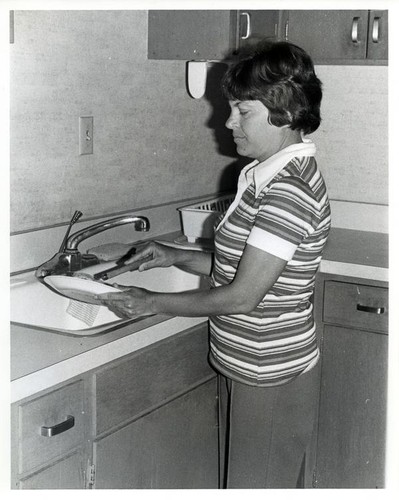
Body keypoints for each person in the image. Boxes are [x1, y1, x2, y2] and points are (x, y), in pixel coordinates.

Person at [96, 40, 331, 489]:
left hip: (270, 378)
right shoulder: (261, 174)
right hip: (248, 366)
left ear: (283, 112)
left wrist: (153, 304)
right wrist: (174, 255)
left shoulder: (289, 191)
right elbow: (240, 266)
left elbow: (244, 296)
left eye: (242, 111)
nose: (226, 122)